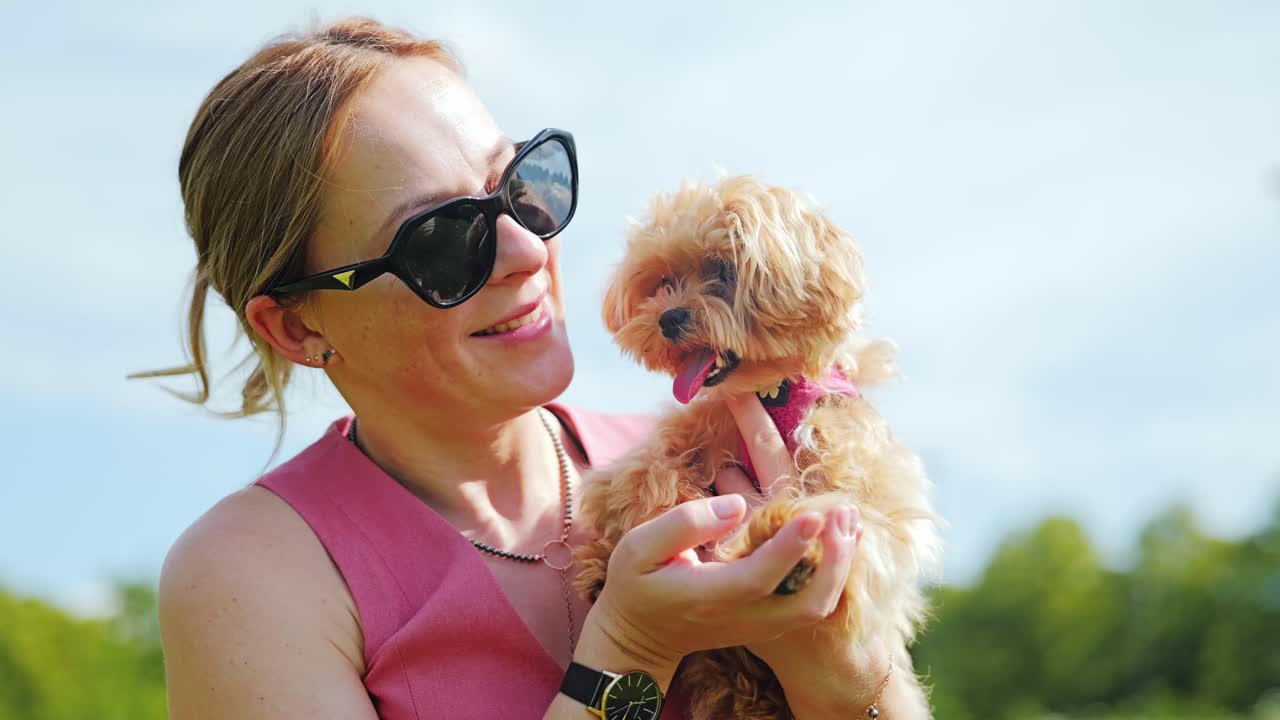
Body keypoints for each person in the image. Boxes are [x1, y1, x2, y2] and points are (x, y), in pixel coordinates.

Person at [143, 16, 928, 719]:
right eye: (443, 240)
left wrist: (831, 662)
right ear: (297, 324)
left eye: (523, 186)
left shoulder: (714, 454)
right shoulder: (250, 578)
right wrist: (628, 650)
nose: (526, 250)